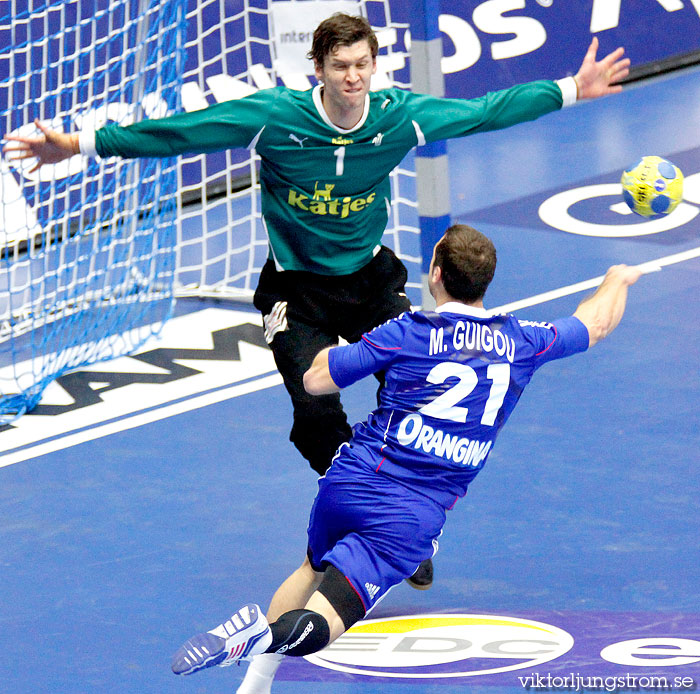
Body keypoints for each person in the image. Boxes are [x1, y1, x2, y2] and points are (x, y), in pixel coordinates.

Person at [3, 15, 629, 590]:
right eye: (340, 66)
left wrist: (572, 87)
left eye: (363, 64)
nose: (353, 77)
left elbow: (485, 111)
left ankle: (398, 513)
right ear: (319, 71)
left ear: (374, 65)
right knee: (313, 406)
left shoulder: (399, 116)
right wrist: (82, 145)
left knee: (414, 376)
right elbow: (178, 134)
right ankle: (369, 506)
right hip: (296, 290)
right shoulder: (275, 117)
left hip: (368, 281)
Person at [167, 223, 642, 693]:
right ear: (485, 282)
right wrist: (616, 279)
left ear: (435, 274)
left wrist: (326, 335)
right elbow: (594, 324)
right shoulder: (523, 340)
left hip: (349, 479)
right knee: (321, 626)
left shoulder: (405, 332)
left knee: (311, 567)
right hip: (407, 514)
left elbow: (315, 381)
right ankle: (256, 637)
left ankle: (254, 686)